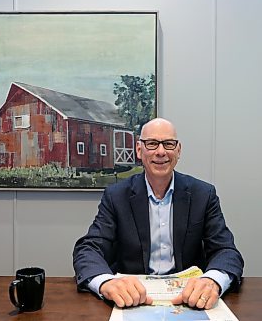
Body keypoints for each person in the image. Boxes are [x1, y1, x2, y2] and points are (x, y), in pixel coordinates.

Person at [73, 118, 243, 310]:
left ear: (178, 150)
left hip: (188, 301)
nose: (161, 152)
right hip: (132, 300)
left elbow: (227, 251)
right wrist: (106, 283)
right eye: (152, 143)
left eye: (168, 144)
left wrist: (212, 281)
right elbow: (88, 249)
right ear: (139, 150)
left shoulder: (203, 194)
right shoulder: (116, 196)